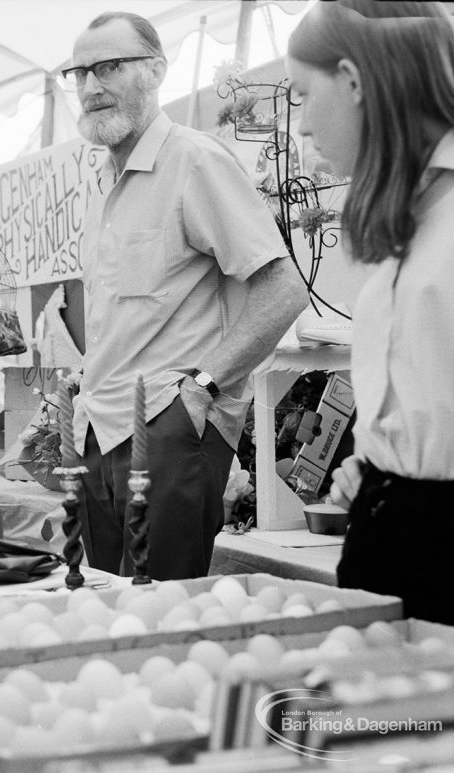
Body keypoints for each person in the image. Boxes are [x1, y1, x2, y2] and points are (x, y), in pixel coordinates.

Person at [66, 12, 308, 579]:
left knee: (162, 615)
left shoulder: (193, 160)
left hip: (168, 428)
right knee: (103, 610)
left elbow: (284, 289)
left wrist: (200, 389)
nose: (91, 87)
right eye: (79, 73)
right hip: (99, 428)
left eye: (109, 66)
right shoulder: (100, 182)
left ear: (154, 71)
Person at [288, 0, 454, 625]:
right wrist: (377, 464)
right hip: (387, 540)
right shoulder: (408, 220)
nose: (301, 127)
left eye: (304, 95)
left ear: (355, 82)